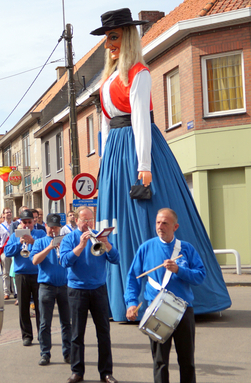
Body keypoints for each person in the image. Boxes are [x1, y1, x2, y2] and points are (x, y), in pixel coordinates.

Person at [91, 7, 231, 321]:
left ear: (126, 37)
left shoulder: (138, 72)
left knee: (145, 214)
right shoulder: (106, 80)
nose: (107, 44)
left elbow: (141, 119)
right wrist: (103, 160)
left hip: (137, 149)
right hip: (115, 152)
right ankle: (123, 300)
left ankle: (178, 294)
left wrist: (145, 165)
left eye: (113, 37)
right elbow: (105, 122)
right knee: (115, 221)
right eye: (105, 38)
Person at [125, 208, 206, 383]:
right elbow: (133, 278)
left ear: (175, 226)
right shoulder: (146, 248)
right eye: (158, 222)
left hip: (183, 311)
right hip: (157, 310)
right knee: (160, 361)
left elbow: (200, 276)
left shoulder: (186, 249)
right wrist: (131, 302)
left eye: (165, 223)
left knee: (187, 361)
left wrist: (179, 270)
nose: (160, 226)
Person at [59, 207, 120, 383]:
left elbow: (115, 259)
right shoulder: (69, 238)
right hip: (77, 289)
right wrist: (80, 246)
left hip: (99, 289)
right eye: (84, 220)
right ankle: (77, 371)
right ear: (76, 220)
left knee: (103, 332)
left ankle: (106, 373)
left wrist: (106, 243)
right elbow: (64, 261)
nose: (88, 224)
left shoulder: (98, 236)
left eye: (90, 220)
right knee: (77, 333)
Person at [30, 213, 71, 367]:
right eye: (50, 226)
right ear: (45, 226)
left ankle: (68, 353)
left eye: (56, 227)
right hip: (46, 287)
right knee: (44, 323)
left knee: (66, 322)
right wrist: (50, 247)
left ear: (60, 228)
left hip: (64, 286)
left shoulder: (66, 240)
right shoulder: (40, 242)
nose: (53, 230)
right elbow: (35, 260)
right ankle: (45, 354)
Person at [4, 209, 46, 347]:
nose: (27, 225)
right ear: (20, 223)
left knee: (40, 306)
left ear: (34, 221)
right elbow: (7, 252)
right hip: (21, 274)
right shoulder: (15, 235)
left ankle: (42, 334)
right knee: (23, 306)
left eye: (29, 222)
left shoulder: (40, 233)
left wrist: (33, 241)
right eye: (24, 222)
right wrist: (19, 242)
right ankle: (27, 335)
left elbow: (45, 248)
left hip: (38, 273)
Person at [0, 207, 15, 300]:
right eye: (6, 212)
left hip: (14, 251)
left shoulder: (15, 225)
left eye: (10, 212)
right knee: (6, 272)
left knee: (14, 272)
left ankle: (15, 291)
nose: (8, 214)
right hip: (4, 251)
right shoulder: (0, 227)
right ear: (3, 215)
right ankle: (6, 292)